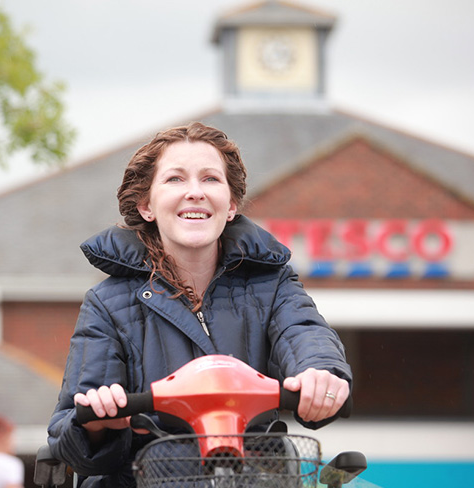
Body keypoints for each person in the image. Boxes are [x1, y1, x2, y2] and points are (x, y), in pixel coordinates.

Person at [47, 122, 352, 487]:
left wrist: (320, 371)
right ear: (146, 205)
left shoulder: (272, 285)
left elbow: (303, 332)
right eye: (175, 179)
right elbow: (71, 432)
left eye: (210, 179)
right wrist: (97, 423)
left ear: (231, 205)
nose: (195, 192)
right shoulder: (107, 302)